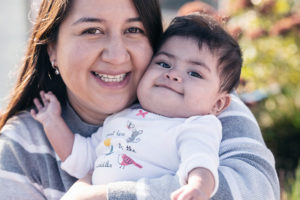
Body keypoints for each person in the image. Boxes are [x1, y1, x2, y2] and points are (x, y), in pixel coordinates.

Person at [0, 0, 280, 199]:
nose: (116, 55)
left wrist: (100, 196)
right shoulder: (20, 147)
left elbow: (257, 191)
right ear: (52, 50)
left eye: (133, 30)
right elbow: (80, 154)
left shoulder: (205, 108)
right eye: (92, 30)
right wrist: (52, 122)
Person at [31, 14, 241, 200]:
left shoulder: (196, 125)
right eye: (164, 63)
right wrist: (52, 122)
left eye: (194, 73)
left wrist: (198, 189)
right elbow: (81, 157)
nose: (173, 74)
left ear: (218, 103)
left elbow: (200, 162)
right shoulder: (120, 117)